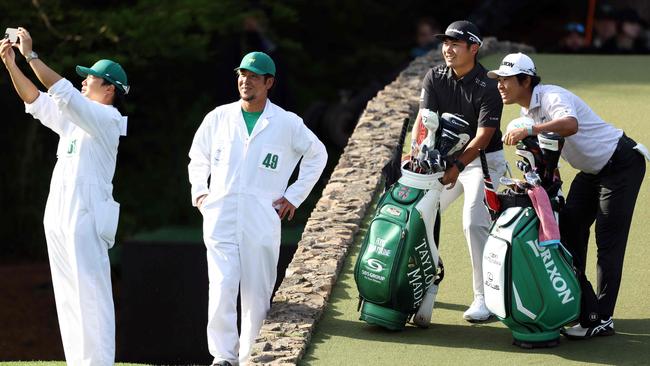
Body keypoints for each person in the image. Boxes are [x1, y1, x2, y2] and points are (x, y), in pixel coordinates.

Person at [491, 52, 647, 338]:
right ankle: (581, 305)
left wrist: (532, 129)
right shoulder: (526, 113)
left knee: (608, 242)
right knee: (568, 231)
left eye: (506, 80)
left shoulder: (550, 96)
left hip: (622, 164)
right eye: (498, 80)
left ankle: (602, 318)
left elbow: (570, 124)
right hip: (590, 172)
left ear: (526, 81)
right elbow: (551, 159)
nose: (500, 85)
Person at [188, 51, 327, 365]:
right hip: (220, 216)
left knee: (256, 293)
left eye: (253, 76)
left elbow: (317, 155)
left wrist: (294, 195)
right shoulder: (218, 117)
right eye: (241, 74)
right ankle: (223, 356)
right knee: (222, 286)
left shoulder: (287, 123)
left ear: (268, 82)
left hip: (262, 219)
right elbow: (199, 157)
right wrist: (200, 193)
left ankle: (252, 355)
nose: (245, 81)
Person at [1, 28, 128, 364]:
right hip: (59, 212)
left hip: (87, 214)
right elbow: (37, 101)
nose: (85, 81)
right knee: (68, 295)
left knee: (91, 294)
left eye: (92, 79)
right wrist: (12, 64)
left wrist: (31, 55)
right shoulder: (74, 120)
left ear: (110, 89)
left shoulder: (108, 118)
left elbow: (62, 92)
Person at [408, 20, 507, 322]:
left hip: (483, 161)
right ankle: (418, 285)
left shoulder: (489, 85)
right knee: (419, 215)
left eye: (455, 44)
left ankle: (485, 299)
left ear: (473, 49)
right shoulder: (434, 77)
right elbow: (424, 121)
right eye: (445, 43)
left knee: (473, 223)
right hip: (444, 160)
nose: (447, 49)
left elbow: (484, 136)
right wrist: (415, 153)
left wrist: (458, 166)